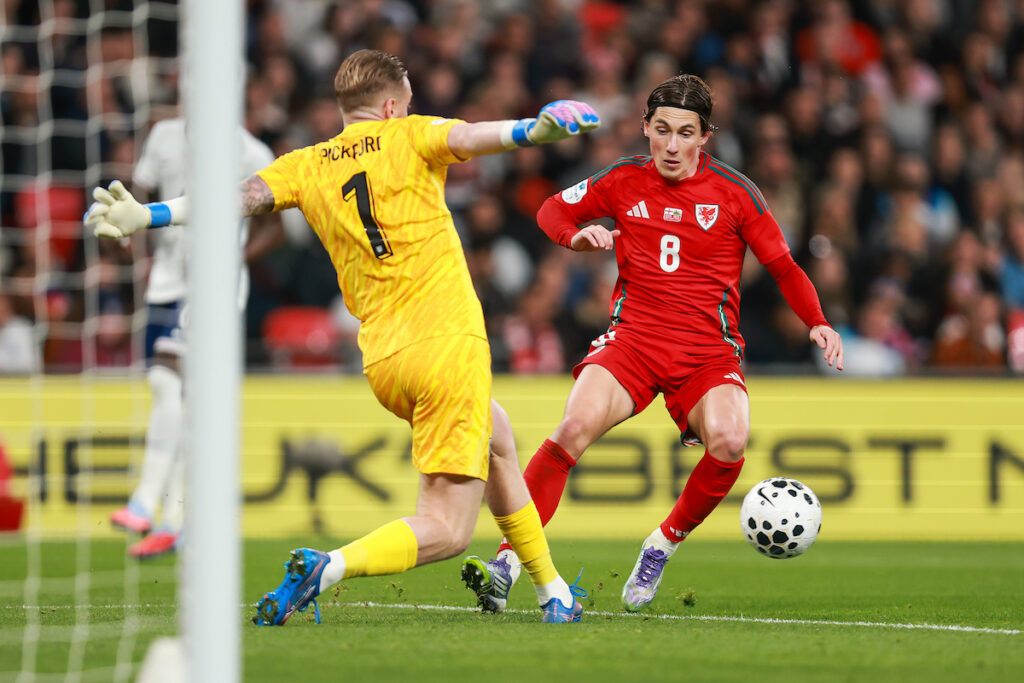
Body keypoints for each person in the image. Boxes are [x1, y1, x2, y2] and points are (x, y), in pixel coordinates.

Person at [85, 49, 600, 624]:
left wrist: (148, 215)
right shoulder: (409, 135)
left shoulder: (305, 164)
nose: (410, 111)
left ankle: (552, 590)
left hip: (384, 359)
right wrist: (538, 129)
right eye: (406, 103)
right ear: (388, 107)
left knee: (497, 434)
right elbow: (477, 136)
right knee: (449, 530)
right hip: (446, 343)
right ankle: (327, 566)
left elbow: (235, 199)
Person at [463, 74, 844, 614]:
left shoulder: (737, 194)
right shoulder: (621, 180)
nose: (670, 144)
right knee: (573, 428)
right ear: (644, 127)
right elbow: (552, 208)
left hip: (707, 354)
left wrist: (817, 320)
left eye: (684, 133)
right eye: (660, 129)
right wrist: (575, 237)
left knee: (731, 442)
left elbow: (782, 265)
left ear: (704, 137)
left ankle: (661, 544)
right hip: (633, 343)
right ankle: (506, 561)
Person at [106, 115, 285, 559]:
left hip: (213, 288)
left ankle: (146, 499)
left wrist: (233, 256)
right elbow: (143, 189)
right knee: (174, 395)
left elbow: (275, 226)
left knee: (173, 383)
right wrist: (131, 233)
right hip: (165, 282)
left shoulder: (252, 153)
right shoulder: (164, 136)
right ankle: (175, 519)